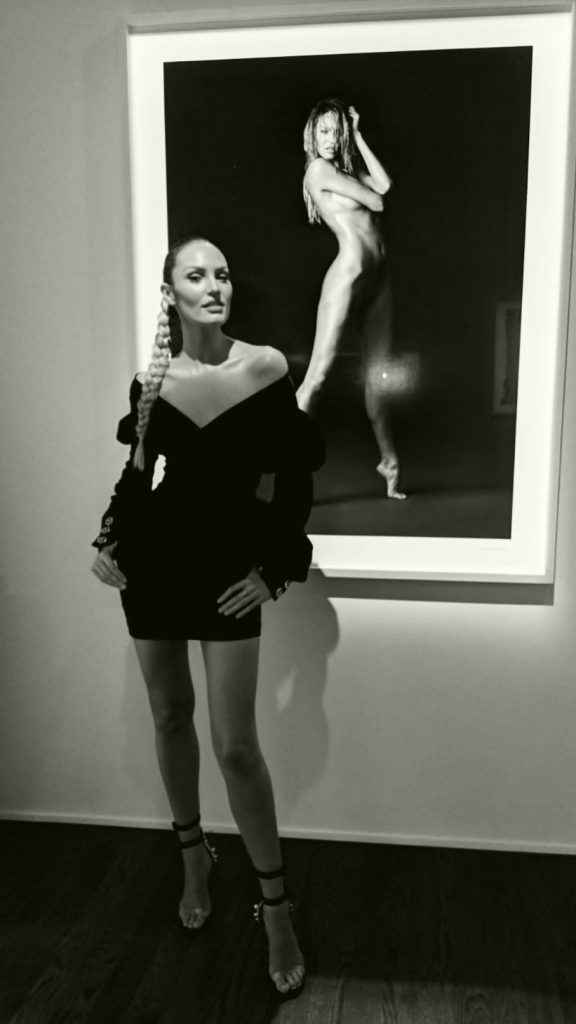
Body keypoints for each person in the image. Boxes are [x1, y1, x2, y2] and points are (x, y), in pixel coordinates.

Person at [90, 234, 325, 998]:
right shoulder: (153, 379)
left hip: (226, 569)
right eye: (197, 275)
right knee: (168, 716)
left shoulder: (265, 367)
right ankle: (194, 855)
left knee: (236, 747)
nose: (215, 285)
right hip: (153, 567)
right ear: (172, 293)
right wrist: (108, 539)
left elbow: (294, 481)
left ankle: (275, 906)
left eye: (222, 273)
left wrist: (274, 570)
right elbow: (137, 479)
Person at [298, 97, 405, 499]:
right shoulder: (319, 170)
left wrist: (358, 136)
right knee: (317, 377)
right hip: (348, 275)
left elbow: (385, 184)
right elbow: (377, 200)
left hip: (379, 279)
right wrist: (354, 161)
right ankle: (288, 467)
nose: (329, 139)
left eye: (336, 131)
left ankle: (389, 462)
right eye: (323, 131)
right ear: (312, 135)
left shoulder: (344, 169)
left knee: (377, 381)